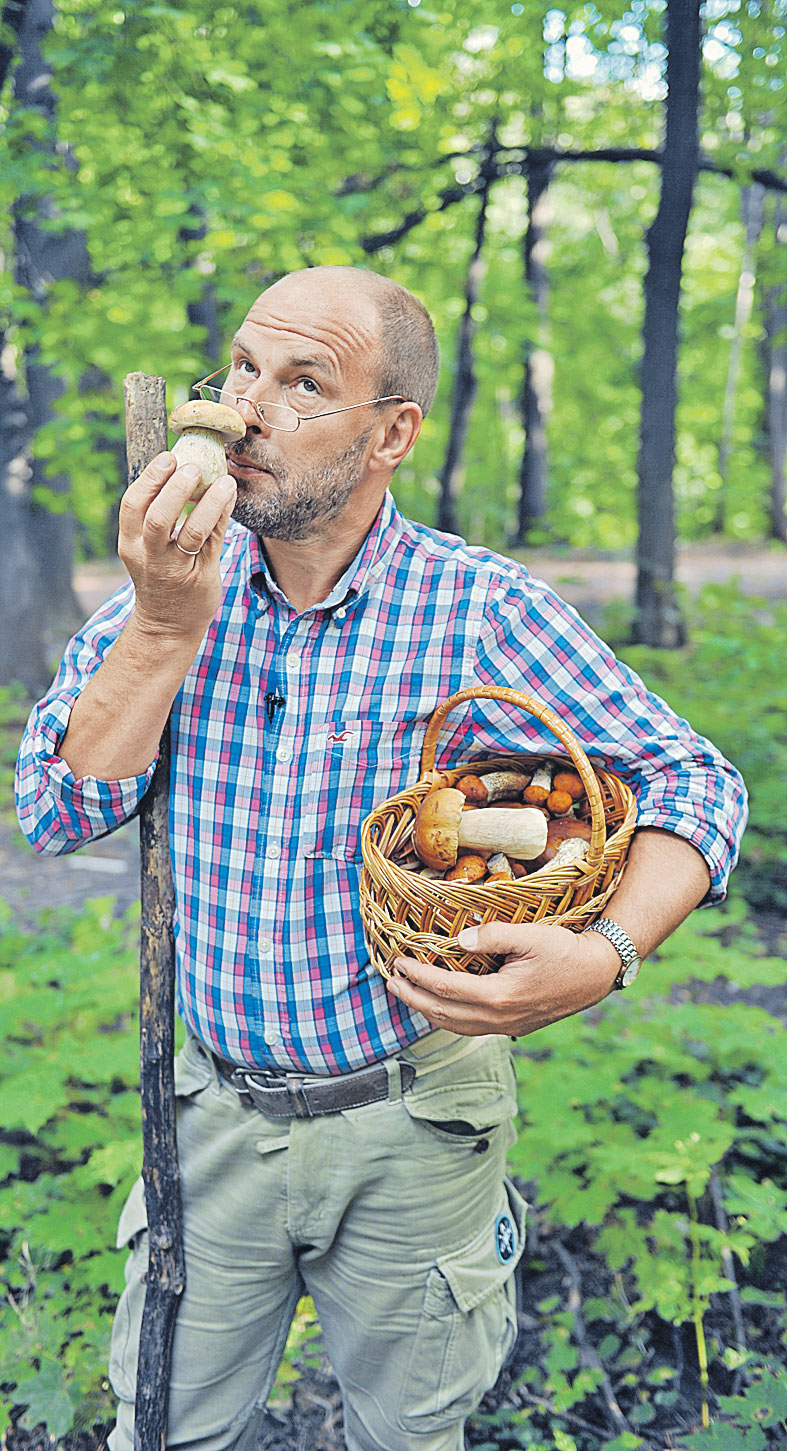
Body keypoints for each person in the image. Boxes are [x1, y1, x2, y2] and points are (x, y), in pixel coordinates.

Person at [16, 265, 747, 1451]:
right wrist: (160, 625)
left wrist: (604, 952)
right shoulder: (169, 592)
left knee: (409, 1434)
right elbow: (51, 810)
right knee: (166, 1428)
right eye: (242, 367)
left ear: (392, 433)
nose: (250, 409)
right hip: (208, 1111)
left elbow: (695, 780)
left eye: (304, 383)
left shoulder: (478, 608)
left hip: (417, 1116)